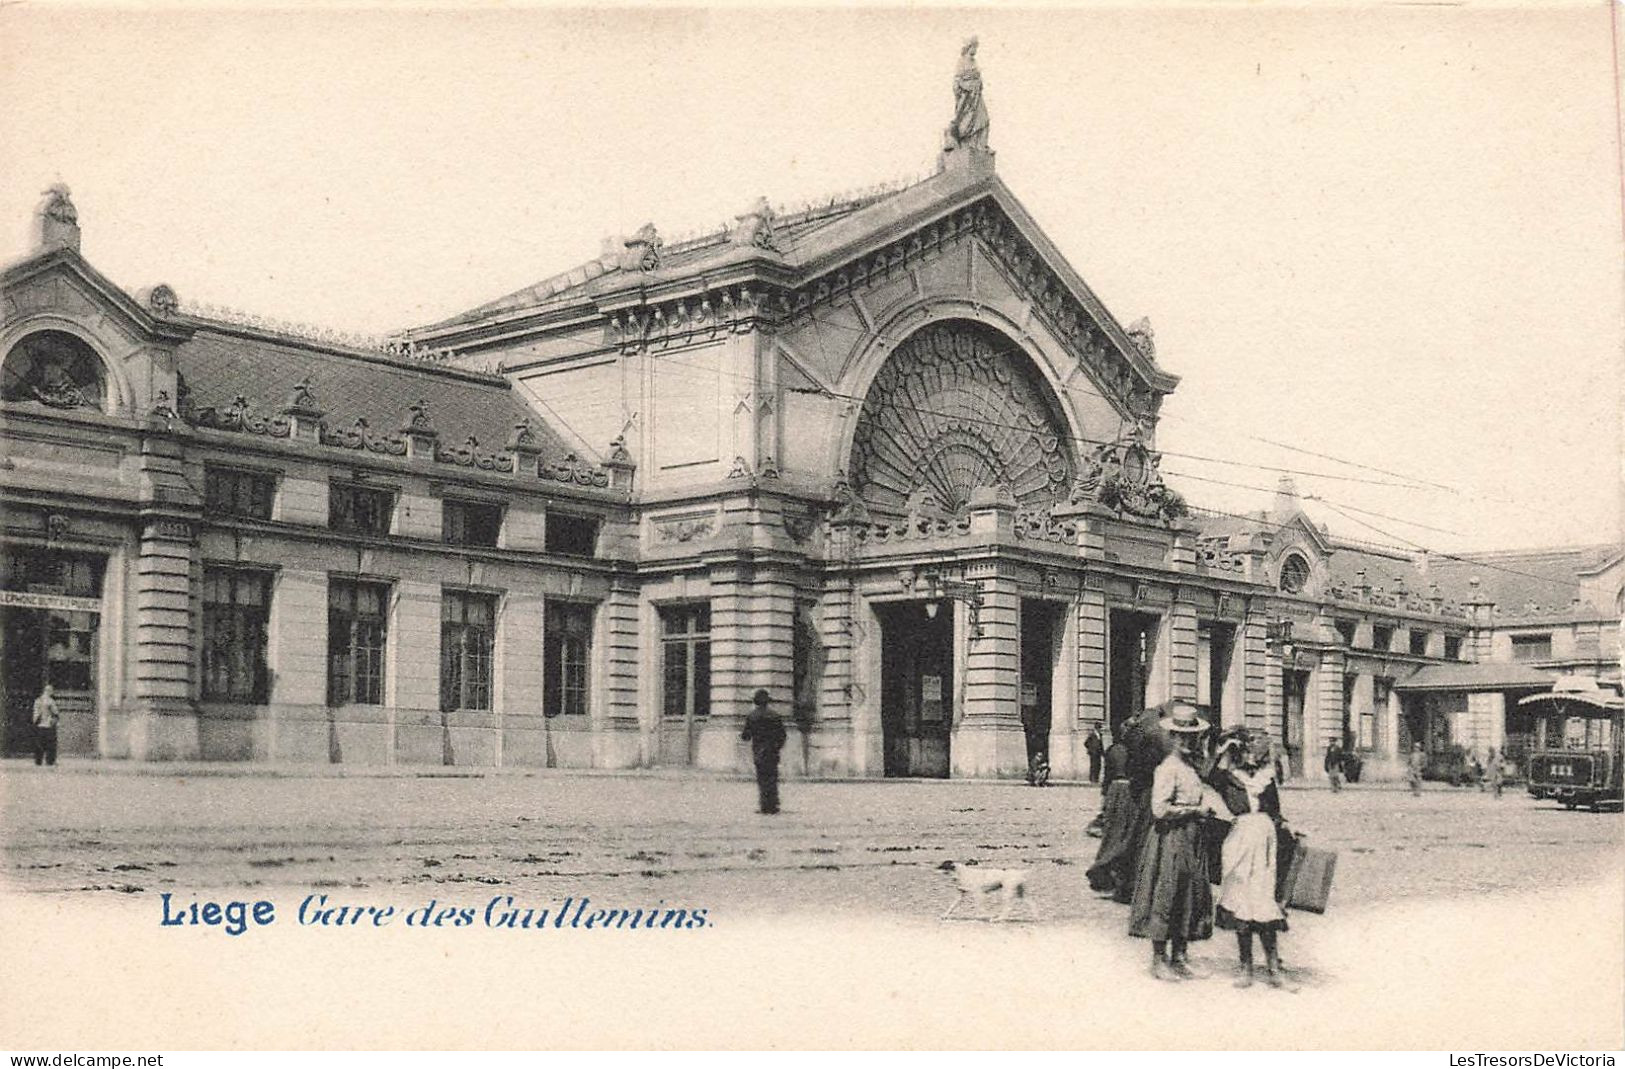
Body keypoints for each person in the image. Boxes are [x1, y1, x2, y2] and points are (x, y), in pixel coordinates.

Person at [1129, 702, 1221, 981]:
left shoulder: (1190, 767)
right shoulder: (1168, 768)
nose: (1188, 742)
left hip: (1193, 836)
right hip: (1170, 837)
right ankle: (1159, 960)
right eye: (1182, 737)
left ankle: (1180, 957)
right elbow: (1159, 809)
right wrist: (1193, 811)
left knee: (1190, 893)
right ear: (1172, 737)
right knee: (1166, 893)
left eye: (1192, 737)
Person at [1208, 728, 1294, 989]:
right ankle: (1245, 967)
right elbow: (1210, 778)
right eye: (1244, 750)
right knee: (1240, 901)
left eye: (1254, 750)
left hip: (1265, 839)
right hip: (1239, 840)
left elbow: (1275, 811)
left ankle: (1274, 967)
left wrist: (1287, 826)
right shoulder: (1228, 778)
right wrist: (1223, 750)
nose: (1251, 756)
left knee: (1264, 901)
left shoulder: (1267, 779)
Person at [1085, 732, 1134, 887]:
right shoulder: (1134, 750)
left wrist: (1105, 796)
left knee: (1112, 833)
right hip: (1129, 792)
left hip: (1114, 791)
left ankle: (1104, 870)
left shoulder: (1112, 750)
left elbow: (1108, 776)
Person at [740, 689, 787, 814]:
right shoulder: (775, 716)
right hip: (772, 752)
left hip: (759, 752)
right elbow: (782, 735)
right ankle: (773, 805)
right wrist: (777, 747)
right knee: (772, 778)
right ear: (767, 702)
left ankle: (764, 806)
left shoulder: (752, 716)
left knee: (762, 779)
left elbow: (745, 736)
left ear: (755, 701)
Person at [31, 683, 60, 767]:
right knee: (50, 744)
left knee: (39, 744)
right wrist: (54, 721)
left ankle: (38, 761)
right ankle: (50, 761)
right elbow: (55, 713)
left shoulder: (38, 700)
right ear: (49, 691)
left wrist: (35, 722)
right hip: (48, 725)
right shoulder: (51, 701)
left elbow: (35, 714)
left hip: (39, 725)